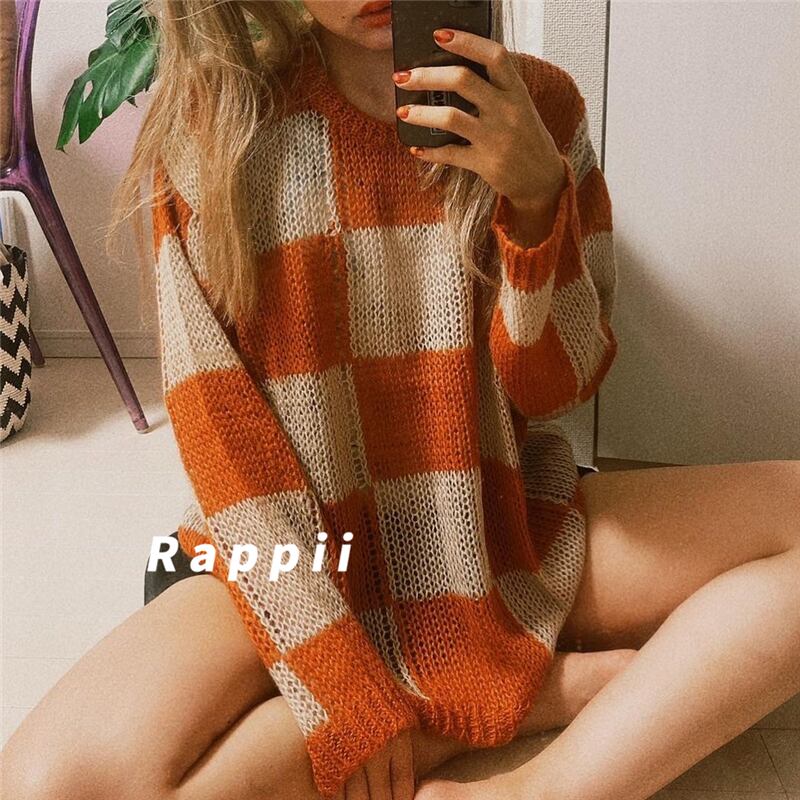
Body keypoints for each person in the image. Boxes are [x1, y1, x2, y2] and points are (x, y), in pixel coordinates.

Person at [2, 2, 799, 800]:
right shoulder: (213, 133)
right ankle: (511, 702)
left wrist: (534, 199)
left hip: (500, 527)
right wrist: (337, 678)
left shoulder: (538, 109)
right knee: (42, 785)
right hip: (292, 553)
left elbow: (557, 386)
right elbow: (221, 439)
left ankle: (538, 788)